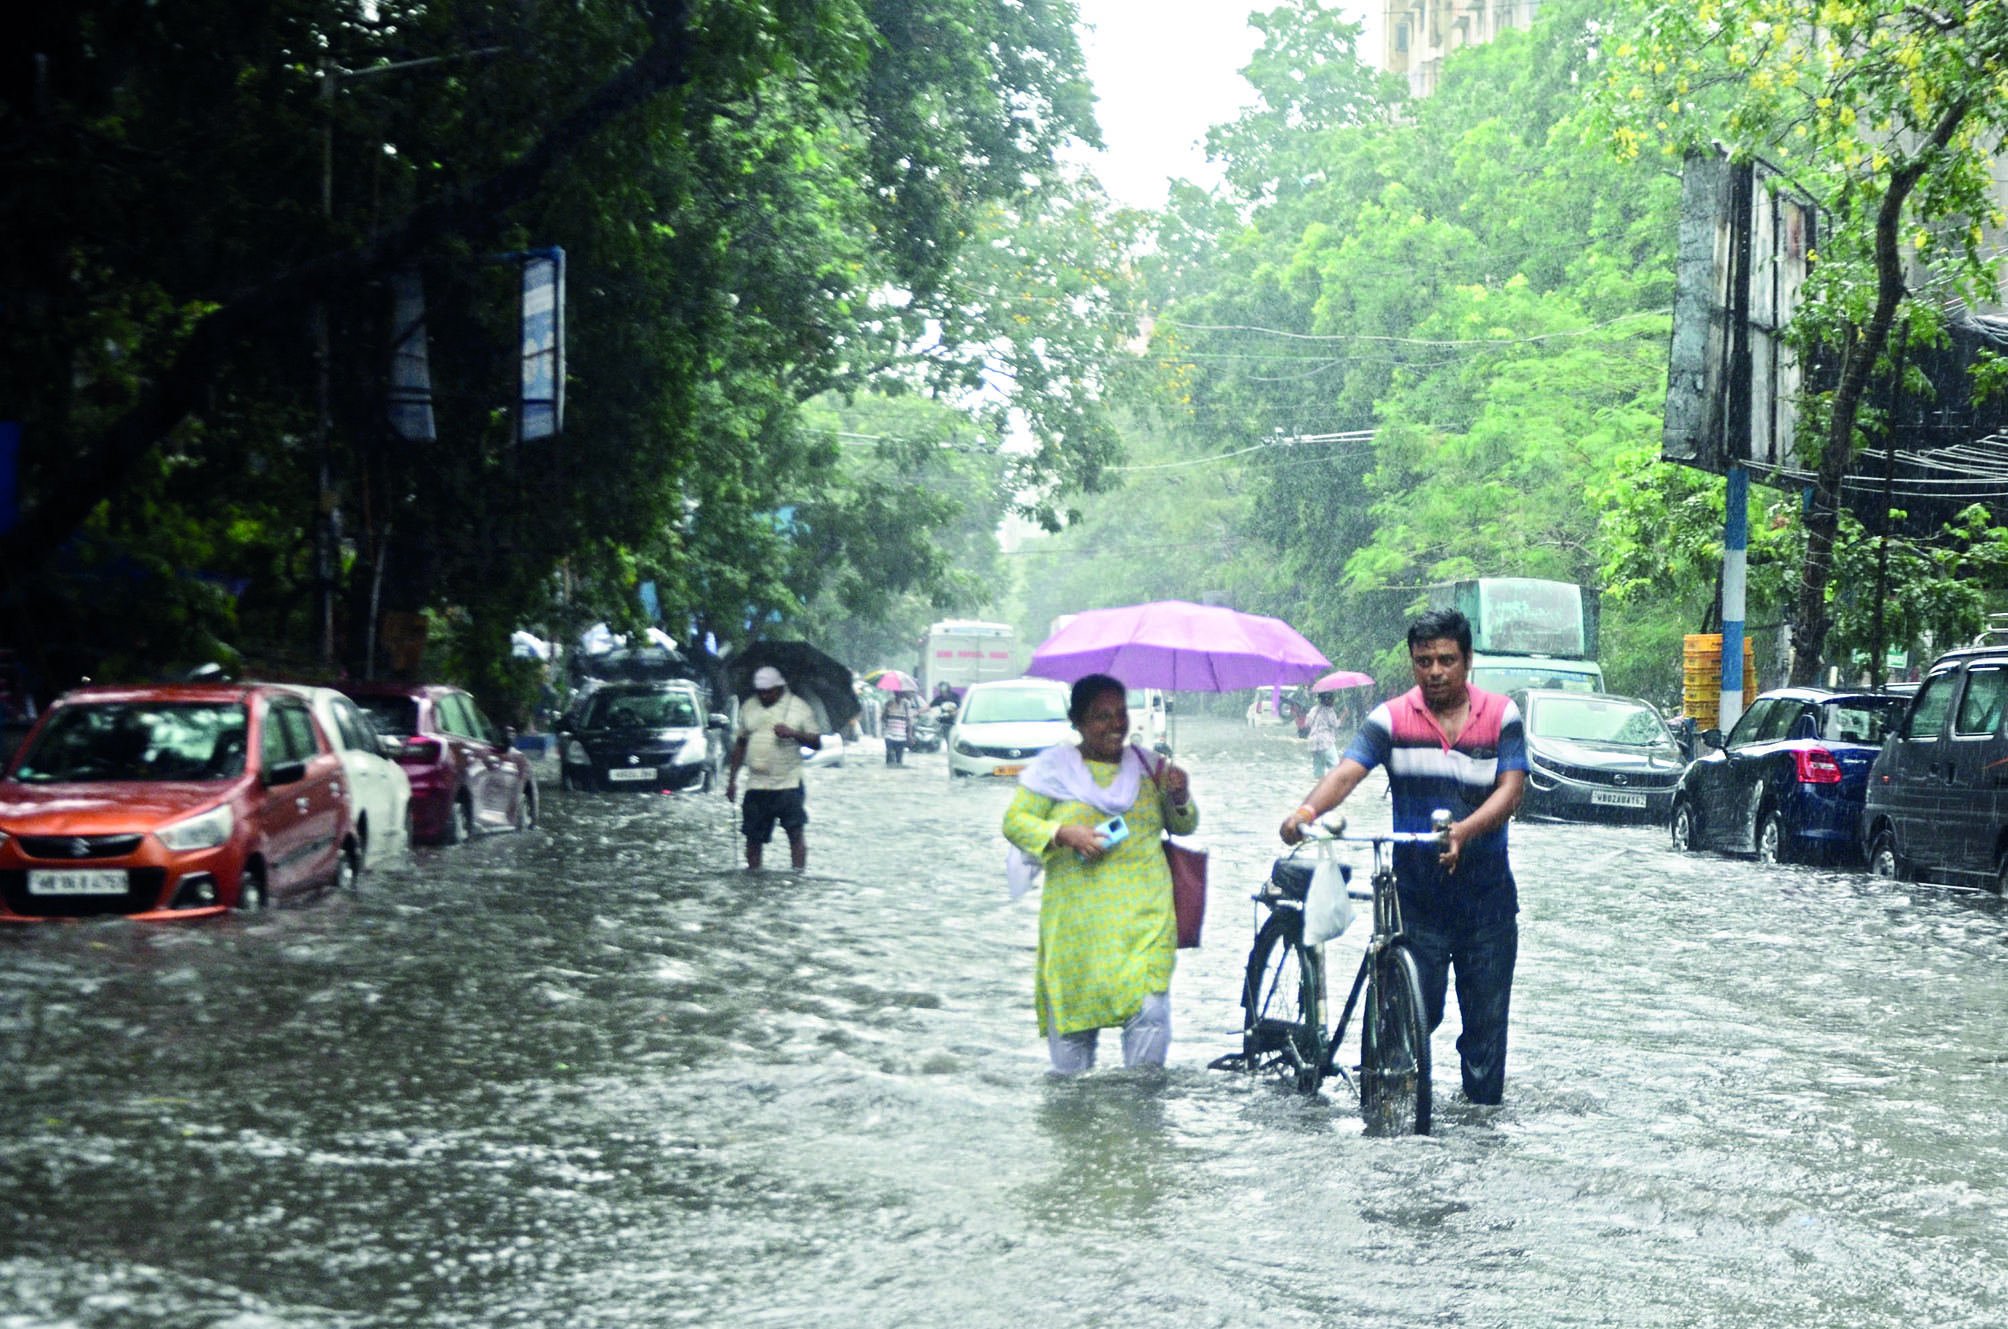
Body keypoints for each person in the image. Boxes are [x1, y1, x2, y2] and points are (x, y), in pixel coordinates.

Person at [1279, 609, 1528, 1105]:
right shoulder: (1389, 718)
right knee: (1412, 1019)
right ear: (1413, 664)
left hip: (1487, 899)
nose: (1435, 671)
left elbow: (1512, 790)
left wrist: (1465, 831)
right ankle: (1390, 1115)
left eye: (1446, 660)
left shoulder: (1502, 715)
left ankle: (1481, 1134)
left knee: (1485, 1034)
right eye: (1424, 661)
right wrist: (1306, 810)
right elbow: (1348, 772)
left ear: (1468, 661)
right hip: (1416, 897)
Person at [1002, 673, 1199, 1074]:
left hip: (1145, 929)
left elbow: (1183, 826)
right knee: (1071, 1078)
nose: (1115, 725)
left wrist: (1179, 797)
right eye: (1101, 716)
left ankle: (1143, 1134)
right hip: (1077, 936)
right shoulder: (1052, 771)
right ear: (1076, 721)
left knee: (1148, 1053)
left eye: (1120, 714)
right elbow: (1015, 823)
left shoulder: (1150, 768)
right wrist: (1061, 834)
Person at [724, 665, 822, 870]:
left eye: (769, 691)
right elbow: (740, 745)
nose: (764, 696)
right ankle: (754, 878)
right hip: (756, 785)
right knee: (752, 838)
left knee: (795, 834)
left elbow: (816, 742)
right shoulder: (749, 706)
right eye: (760, 692)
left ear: (780, 688)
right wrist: (732, 780)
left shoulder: (799, 707)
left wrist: (793, 733)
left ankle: (797, 875)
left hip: (788, 784)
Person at [1304, 690, 1343, 779]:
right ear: (1327, 700)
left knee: (1318, 770)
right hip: (1325, 742)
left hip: (1313, 743)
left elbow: (1307, 724)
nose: (1333, 701)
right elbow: (1335, 725)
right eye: (1332, 699)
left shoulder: (1314, 709)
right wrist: (1343, 715)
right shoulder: (1329, 711)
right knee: (1336, 767)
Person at [882, 690, 913, 765]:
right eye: (896, 692)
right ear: (894, 692)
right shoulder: (889, 702)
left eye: (900, 692)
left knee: (899, 761)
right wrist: (886, 709)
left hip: (901, 736)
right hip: (889, 735)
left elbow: (909, 720)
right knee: (889, 760)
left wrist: (909, 735)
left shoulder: (906, 704)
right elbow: (883, 718)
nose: (898, 694)